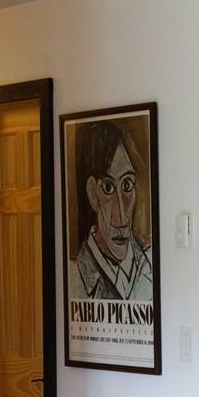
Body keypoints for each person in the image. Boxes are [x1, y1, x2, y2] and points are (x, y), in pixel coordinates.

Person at [69, 119, 153, 302]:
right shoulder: (74, 276)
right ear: (92, 193)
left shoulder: (151, 264)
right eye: (108, 188)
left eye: (127, 185)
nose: (122, 215)